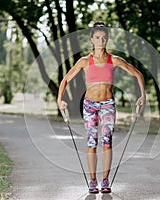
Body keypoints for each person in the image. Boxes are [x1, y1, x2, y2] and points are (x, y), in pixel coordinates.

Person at [57, 21, 145, 194]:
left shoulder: (115, 60)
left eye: (104, 38)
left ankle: (105, 181)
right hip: (89, 105)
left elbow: (138, 74)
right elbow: (65, 80)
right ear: (91, 39)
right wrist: (60, 100)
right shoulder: (84, 61)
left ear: (107, 39)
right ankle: (92, 181)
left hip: (107, 104)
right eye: (97, 37)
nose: (101, 40)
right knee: (91, 142)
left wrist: (143, 95)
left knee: (107, 142)